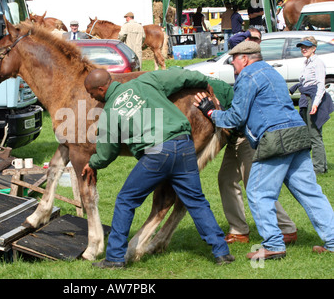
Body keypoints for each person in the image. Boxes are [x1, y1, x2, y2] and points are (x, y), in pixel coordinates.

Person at [81, 68, 235, 268]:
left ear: (102, 89)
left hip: (156, 154)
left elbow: (106, 152)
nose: (91, 97)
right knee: (196, 200)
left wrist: (93, 164)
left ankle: (115, 258)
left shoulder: (110, 111)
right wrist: (203, 82)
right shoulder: (146, 81)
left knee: (126, 200)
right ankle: (222, 252)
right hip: (184, 145)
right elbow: (181, 76)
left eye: (91, 93)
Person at [194, 41, 334, 259]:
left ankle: (274, 244)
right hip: (297, 132)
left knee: (259, 194)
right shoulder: (272, 72)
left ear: (245, 58)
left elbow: (235, 118)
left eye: (234, 58)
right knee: (311, 193)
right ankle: (333, 241)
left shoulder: (248, 76)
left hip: (275, 138)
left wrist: (211, 112)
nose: (232, 62)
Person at [290, 37, 334, 174]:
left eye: (307, 47)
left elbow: (321, 85)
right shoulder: (307, 62)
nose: (303, 49)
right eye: (302, 47)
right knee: (307, 133)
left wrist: (315, 104)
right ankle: (316, 165)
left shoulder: (317, 63)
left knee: (314, 134)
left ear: (314, 48)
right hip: (305, 99)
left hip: (313, 99)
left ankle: (319, 168)